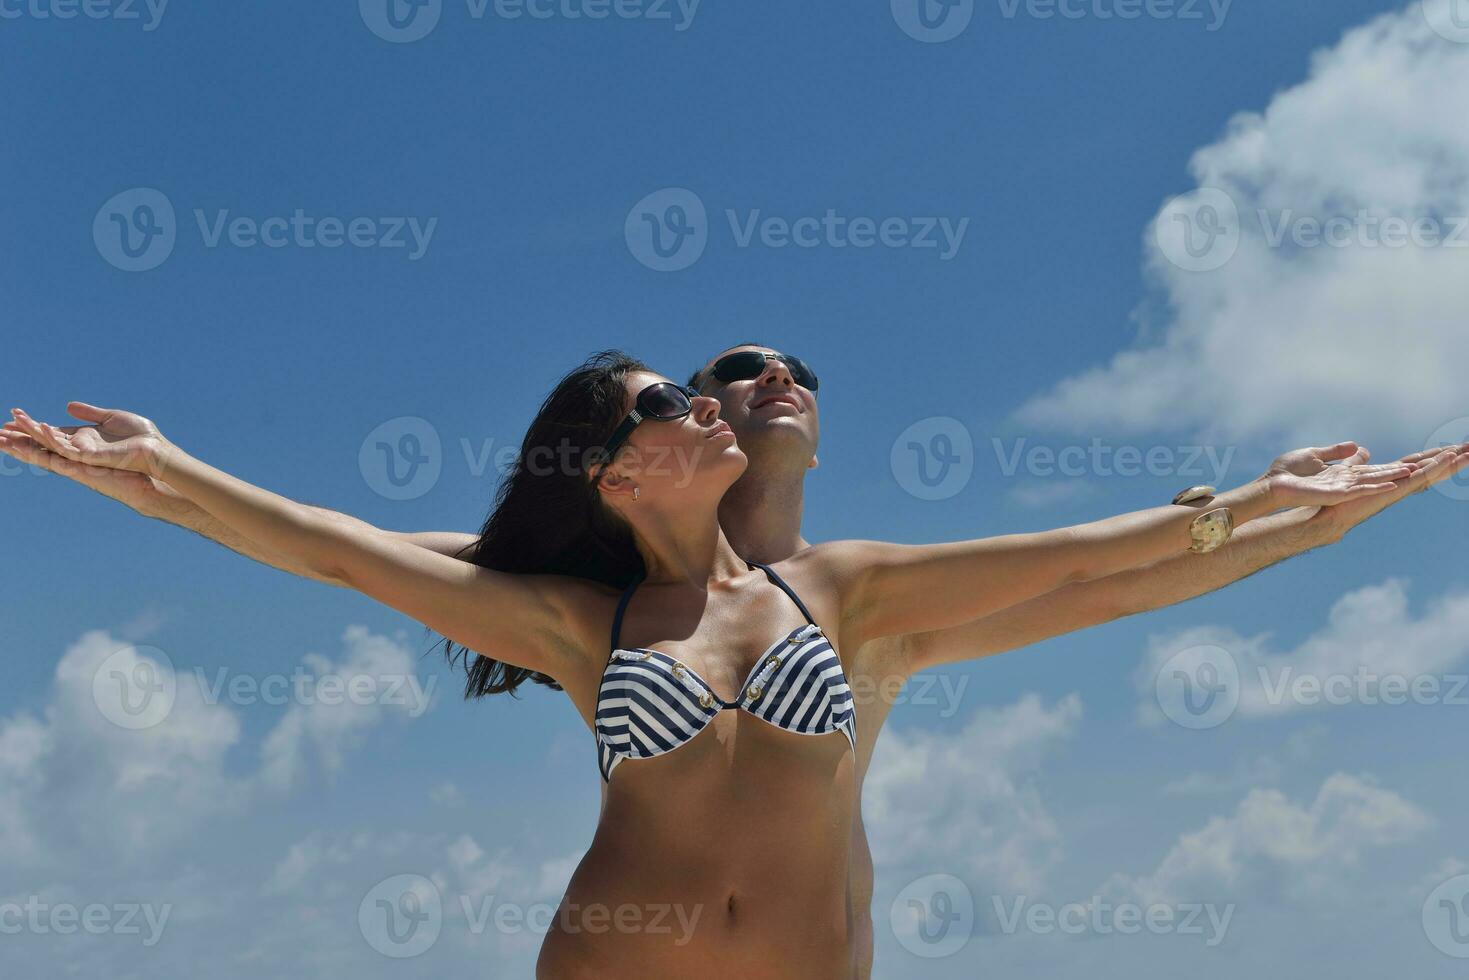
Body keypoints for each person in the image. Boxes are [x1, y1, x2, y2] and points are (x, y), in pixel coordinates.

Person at [2, 350, 1460, 979]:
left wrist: (1277, 506)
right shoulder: (581, 628)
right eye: (661, 402)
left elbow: (1086, 560)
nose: (699, 405)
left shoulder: (842, 594)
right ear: (612, 475)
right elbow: (327, 546)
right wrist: (166, 468)